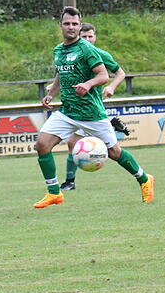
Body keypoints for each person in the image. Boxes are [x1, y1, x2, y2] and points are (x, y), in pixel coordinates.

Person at [33, 6, 154, 209]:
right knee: (42, 145)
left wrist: (88, 84)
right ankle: (54, 193)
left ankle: (144, 179)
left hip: (91, 114)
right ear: (60, 25)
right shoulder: (58, 50)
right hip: (68, 111)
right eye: (67, 23)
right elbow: (61, 75)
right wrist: (51, 93)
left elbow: (104, 76)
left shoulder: (86, 49)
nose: (70, 27)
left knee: (115, 152)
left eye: (74, 24)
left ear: (79, 26)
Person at [52, 23, 130, 192]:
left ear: (95, 37)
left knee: (111, 151)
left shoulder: (100, 54)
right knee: (73, 142)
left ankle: (69, 181)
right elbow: (61, 71)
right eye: (85, 36)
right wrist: (53, 89)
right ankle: (69, 181)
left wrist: (111, 87)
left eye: (91, 36)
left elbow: (120, 73)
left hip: (93, 109)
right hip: (78, 110)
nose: (88, 39)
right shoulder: (72, 52)